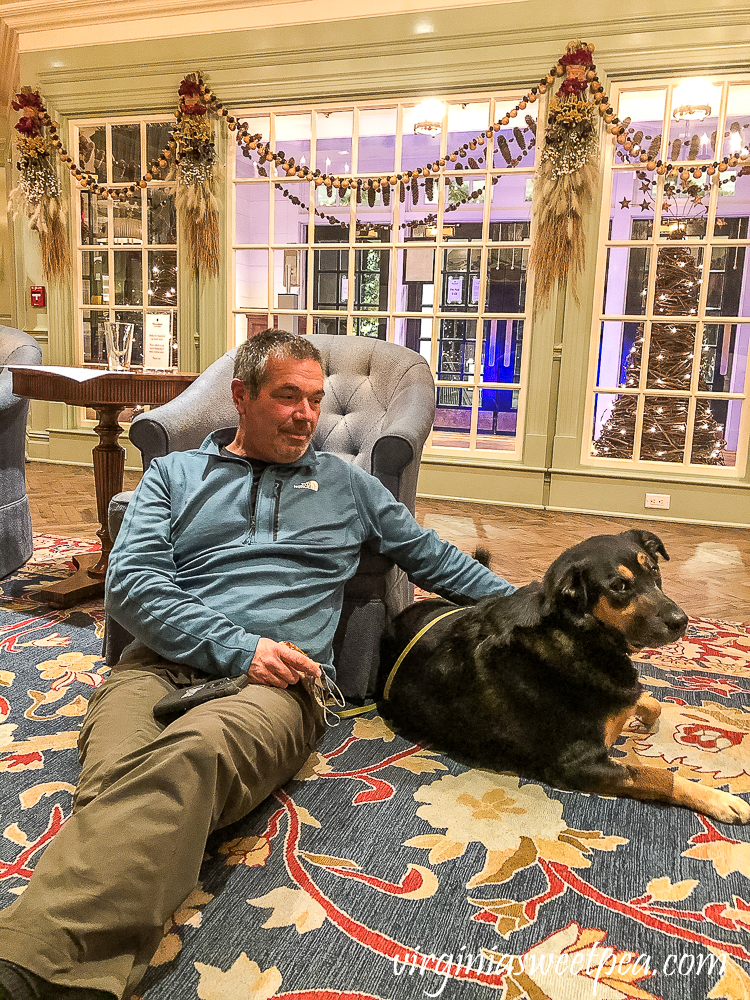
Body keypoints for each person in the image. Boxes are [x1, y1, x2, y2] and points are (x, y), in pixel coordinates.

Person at [0, 331, 515, 1000]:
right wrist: (236, 645)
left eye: (313, 399)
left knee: (191, 755)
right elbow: (132, 585)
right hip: (156, 665)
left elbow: (435, 560)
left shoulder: (348, 487)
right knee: (114, 779)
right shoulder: (173, 475)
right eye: (286, 398)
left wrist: (552, 608)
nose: (306, 414)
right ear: (240, 397)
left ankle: (28, 970)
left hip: (279, 683)